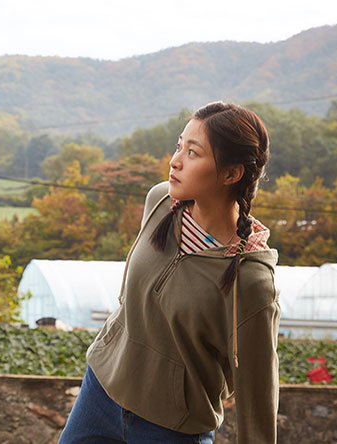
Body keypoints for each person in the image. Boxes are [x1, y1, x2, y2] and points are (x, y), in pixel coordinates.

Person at [59, 102, 279, 443]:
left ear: (231, 174)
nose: (175, 161)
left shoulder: (251, 279)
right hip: (100, 393)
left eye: (193, 153)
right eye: (179, 146)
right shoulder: (160, 202)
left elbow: (257, 391)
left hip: (172, 428)